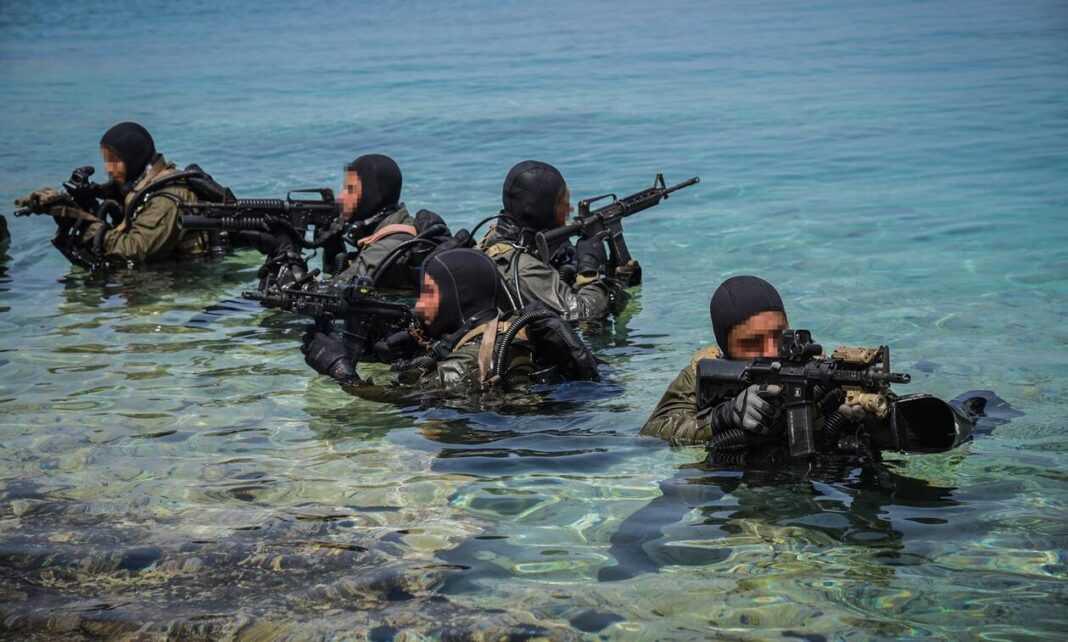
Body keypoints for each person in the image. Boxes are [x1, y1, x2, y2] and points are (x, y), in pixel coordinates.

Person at [641, 275, 982, 452]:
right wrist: (723, 417)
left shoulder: (815, 367)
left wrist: (854, 415)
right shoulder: (704, 372)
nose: (771, 351)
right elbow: (654, 431)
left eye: (779, 334)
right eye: (751, 343)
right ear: (724, 347)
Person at [301, 248, 599, 394]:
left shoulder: (467, 363)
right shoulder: (503, 330)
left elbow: (402, 400)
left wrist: (342, 373)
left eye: (429, 293)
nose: (419, 305)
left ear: (458, 296)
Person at [14, 122, 212, 267]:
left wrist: (82, 222)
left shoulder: (166, 199)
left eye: (115, 161)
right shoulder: (139, 188)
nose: (108, 169)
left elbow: (134, 250)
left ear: (134, 158)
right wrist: (77, 203)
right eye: (106, 160)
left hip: (186, 281)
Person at [478, 161, 630, 323]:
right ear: (544, 211)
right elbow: (583, 312)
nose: (570, 209)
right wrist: (590, 270)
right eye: (564, 204)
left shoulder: (495, 239)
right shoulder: (524, 268)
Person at [330, 154, 449, 291]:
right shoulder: (391, 229)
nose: (340, 197)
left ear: (371, 194)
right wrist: (331, 246)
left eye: (350, 189)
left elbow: (331, 293)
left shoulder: (389, 246)